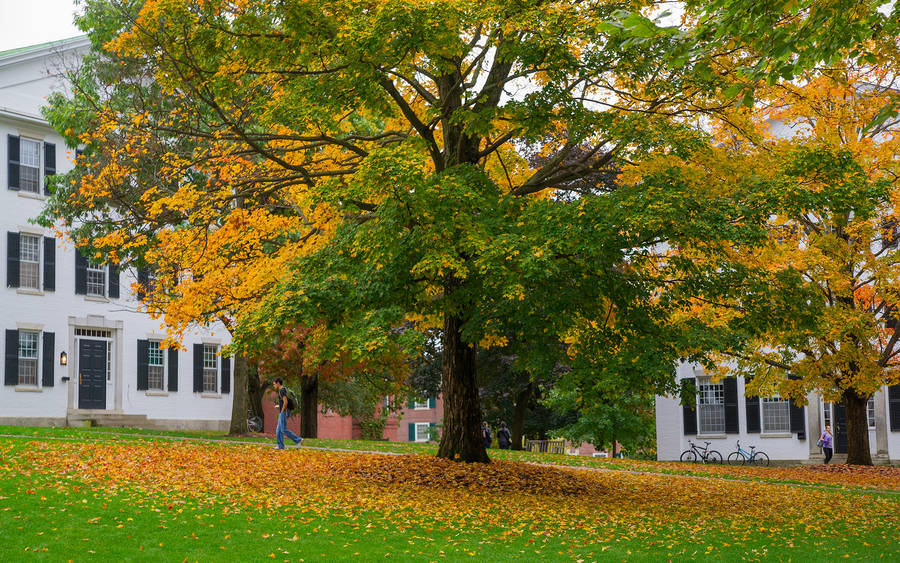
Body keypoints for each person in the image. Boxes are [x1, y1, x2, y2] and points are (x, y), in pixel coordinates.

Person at [272, 377, 302, 450]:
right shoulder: (283, 390)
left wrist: (282, 411)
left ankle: (298, 440)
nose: (273, 386)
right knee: (278, 430)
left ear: (278, 383)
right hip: (284, 411)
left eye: (274, 384)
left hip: (284, 412)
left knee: (283, 429)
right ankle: (280, 446)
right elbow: (284, 402)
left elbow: (285, 402)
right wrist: (279, 406)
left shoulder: (282, 391)